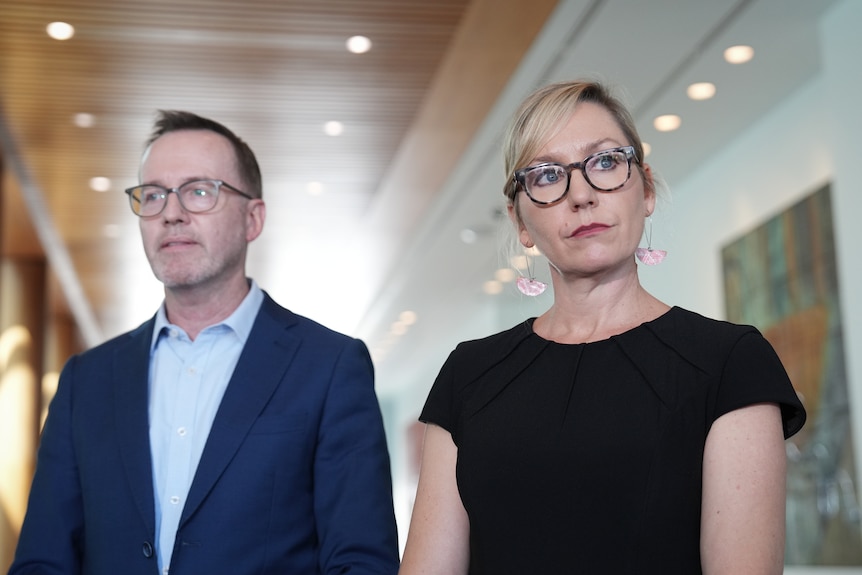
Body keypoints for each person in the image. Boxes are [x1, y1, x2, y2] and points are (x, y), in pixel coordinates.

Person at [398, 80, 806, 574]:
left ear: (646, 188)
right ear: (520, 221)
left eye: (606, 162)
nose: (582, 194)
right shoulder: (469, 374)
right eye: (547, 175)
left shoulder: (729, 362)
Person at [9, 111, 400, 575]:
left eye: (199, 191)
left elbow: (360, 560)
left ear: (253, 218)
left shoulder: (328, 367)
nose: (171, 213)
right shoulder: (86, 380)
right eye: (153, 195)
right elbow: (42, 562)